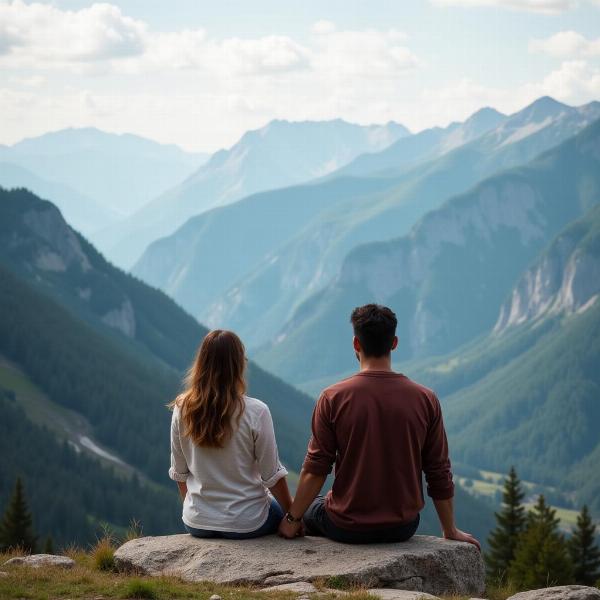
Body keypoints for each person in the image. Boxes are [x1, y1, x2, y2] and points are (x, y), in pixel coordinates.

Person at [278, 304, 480, 548]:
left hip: (345, 526)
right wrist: (450, 529)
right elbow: (438, 469)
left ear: (355, 344)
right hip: (402, 527)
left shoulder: (333, 397)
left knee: (313, 506)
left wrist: (291, 519)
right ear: (394, 343)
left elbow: (316, 468)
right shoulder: (426, 399)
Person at [168, 329, 292, 539]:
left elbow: (180, 473)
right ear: (238, 365)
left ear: (202, 363)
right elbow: (271, 475)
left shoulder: (182, 407)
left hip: (197, 523)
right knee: (292, 510)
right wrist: (293, 517)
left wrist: (201, 512)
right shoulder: (256, 411)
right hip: (247, 523)